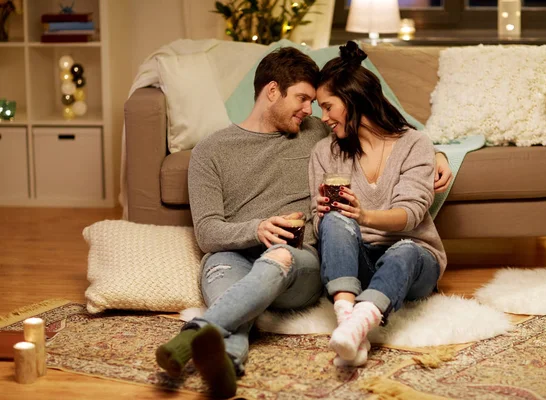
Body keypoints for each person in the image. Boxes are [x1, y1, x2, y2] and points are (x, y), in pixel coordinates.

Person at [154, 47, 328, 398]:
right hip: (229, 258)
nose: (309, 109)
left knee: (277, 259)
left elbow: (383, 128)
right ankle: (226, 366)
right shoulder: (211, 151)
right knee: (234, 297)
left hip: (296, 258)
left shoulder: (316, 132)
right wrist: (256, 228)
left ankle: (196, 332)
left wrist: (437, 153)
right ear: (273, 90)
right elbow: (206, 232)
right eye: (303, 98)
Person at [309, 41, 447, 367]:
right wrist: (332, 216)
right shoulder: (324, 152)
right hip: (358, 264)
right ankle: (349, 321)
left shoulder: (414, 144)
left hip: (413, 262)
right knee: (332, 219)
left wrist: (364, 214)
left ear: (352, 99)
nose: (323, 117)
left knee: (406, 250)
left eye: (328, 106)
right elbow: (320, 222)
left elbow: (412, 215)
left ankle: (359, 322)